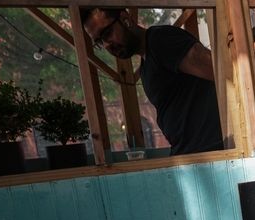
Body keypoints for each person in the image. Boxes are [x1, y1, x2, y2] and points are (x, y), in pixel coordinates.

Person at [80, 8, 223, 155]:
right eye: (99, 41)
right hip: (191, 156)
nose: (107, 45)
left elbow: (222, 70)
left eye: (107, 33)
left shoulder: (161, 40)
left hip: (211, 152)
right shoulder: (145, 64)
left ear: (125, 19)